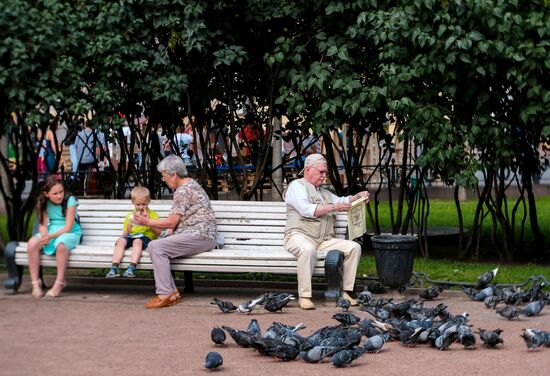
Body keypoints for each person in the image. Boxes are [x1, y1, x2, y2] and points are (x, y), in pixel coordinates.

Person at [283, 153, 370, 310]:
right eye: (321, 172)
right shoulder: (297, 186)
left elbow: (342, 200)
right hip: (299, 236)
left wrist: (358, 196)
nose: (324, 176)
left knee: (353, 247)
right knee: (308, 250)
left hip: (323, 240)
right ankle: (304, 296)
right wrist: (333, 208)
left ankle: (346, 292)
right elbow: (306, 209)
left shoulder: (323, 192)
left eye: (325, 172)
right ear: (308, 170)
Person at [133, 155, 217, 309]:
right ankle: (172, 293)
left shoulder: (183, 191)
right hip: (201, 236)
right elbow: (174, 223)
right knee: (158, 245)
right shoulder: (190, 185)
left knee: (155, 247)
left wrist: (147, 222)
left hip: (200, 236)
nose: (163, 180)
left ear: (174, 175)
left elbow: (171, 222)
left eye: (164, 176)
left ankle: (166, 294)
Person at [26, 176, 83, 298]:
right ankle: (36, 283)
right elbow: (43, 224)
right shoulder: (43, 202)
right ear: (46, 194)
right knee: (32, 244)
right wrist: (44, 236)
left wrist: (50, 237)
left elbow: (68, 227)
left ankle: (60, 282)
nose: (59, 196)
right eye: (55, 193)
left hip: (70, 232)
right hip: (52, 230)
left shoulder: (70, 201)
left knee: (61, 245)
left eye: (61, 192)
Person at [105, 186, 160, 278]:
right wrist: (128, 231)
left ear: (149, 202)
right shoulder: (130, 216)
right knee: (120, 240)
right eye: (138, 204)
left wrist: (148, 221)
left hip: (145, 237)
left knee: (137, 241)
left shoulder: (152, 215)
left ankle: (132, 268)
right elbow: (124, 234)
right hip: (132, 236)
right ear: (133, 203)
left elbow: (158, 232)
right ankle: (114, 268)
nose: (141, 207)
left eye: (144, 204)